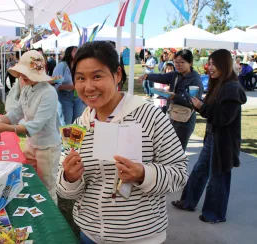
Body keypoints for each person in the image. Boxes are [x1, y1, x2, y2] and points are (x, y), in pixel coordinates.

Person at [56, 41, 188, 244]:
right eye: (80, 78)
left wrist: (143, 174)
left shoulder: (149, 116)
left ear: (117, 74)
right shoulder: (78, 126)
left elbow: (179, 174)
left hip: (140, 238)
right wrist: (69, 177)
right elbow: (65, 191)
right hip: (89, 235)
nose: (88, 86)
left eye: (97, 76)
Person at [171, 49, 247, 224]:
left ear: (224, 65)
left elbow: (223, 117)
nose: (209, 67)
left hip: (224, 142)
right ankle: (188, 201)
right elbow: (214, 112)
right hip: (213, 137)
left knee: (218, 177)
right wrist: (199, 105)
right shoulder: (218, 84)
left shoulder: (232, 88)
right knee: (199, 170)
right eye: (209, 63)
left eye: (213, 64)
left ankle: (215, 214)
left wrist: (202, 107)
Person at [0, 50, 61, 204]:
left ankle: (51, 216)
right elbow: (16, 113)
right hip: (32, 143)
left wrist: (5, 128)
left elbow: (36, 125)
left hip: (47, 147)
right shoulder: (26, 88)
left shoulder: (49, 93)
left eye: (26, 74)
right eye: (21, 73)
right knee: (30, 178)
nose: (22, 77)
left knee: (48, 186)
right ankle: (35, 208)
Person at [138, 49, 203, 151]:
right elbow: (162, 77)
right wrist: (147, 76)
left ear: (190, 63)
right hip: (172, 116)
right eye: (176, 62)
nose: (178, 65)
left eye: (182, 62)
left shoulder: (195, 79)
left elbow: (193, 103)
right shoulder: (176, 74)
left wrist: (174, 96)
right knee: (168, 151)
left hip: (184, 121)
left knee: (178, 153)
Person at [53, 46, 86, 125]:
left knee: (78, 123)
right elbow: (56, 84)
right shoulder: (62, 66)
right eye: (75, 51)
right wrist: (72, 87)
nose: (78, 52)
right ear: (68, 53)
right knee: (66, 124)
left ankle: (74, 138)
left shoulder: (80, 65)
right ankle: (65, 138)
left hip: (78, 97)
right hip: (65, 97)